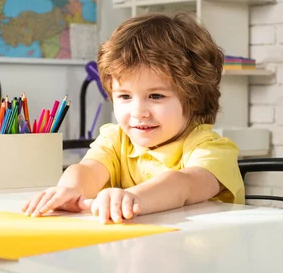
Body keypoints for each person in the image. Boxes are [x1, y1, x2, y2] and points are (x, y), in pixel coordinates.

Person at [22, 12, 244, 223]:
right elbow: (88, 170)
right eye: (125, 96)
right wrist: (70, 189)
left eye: (156, 96)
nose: (139, 112)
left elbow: (183, 184)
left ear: (194, 97)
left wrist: (133, 198)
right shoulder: (115, 139)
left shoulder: (212, 149)